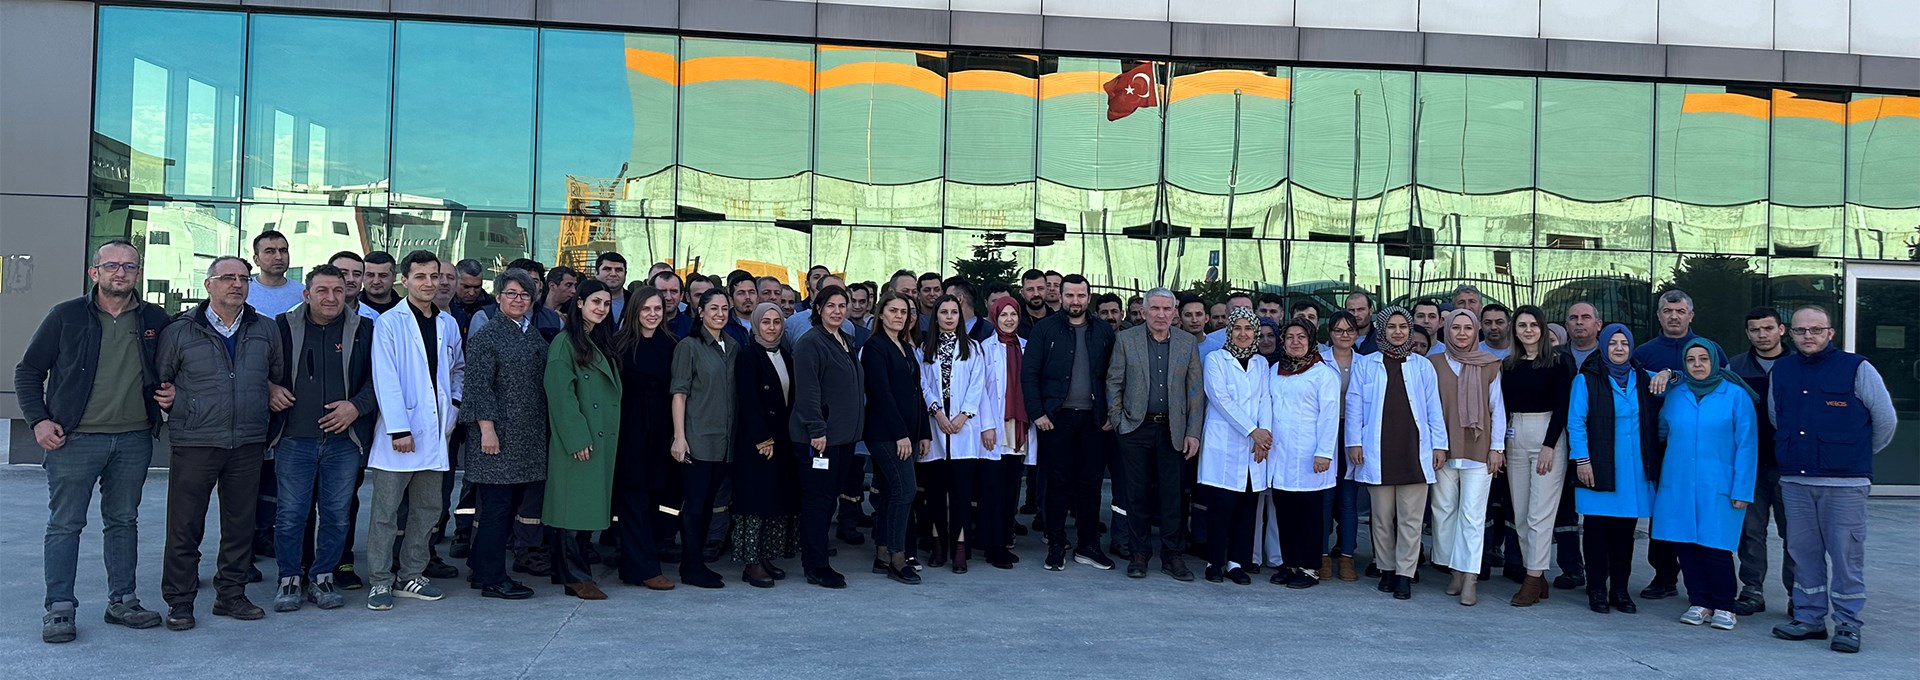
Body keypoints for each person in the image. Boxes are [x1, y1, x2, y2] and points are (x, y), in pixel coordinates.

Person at [17, 240, 173, 642]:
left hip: (134, 439)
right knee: (66, 524)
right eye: (111, 266)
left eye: (129, 267)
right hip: (74, 440)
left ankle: (123, 600)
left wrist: (173, 393)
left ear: (138, 273)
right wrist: (38, 421)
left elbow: (176, 369)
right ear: (95, 272)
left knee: (123, 521)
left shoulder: (156, 319)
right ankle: (59, 608)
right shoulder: (66, 316)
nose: (120, 273)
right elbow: (28, 371)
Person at [156, 255, 290, 628]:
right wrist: (181, 403)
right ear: (208, 285)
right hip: (196, 441)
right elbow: (161, 379)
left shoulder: (265, 329)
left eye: (244, 278)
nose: (237, 284)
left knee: (240, 526)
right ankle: (180, 602)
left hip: (247, 442)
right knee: (185, 527)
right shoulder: (180, 330)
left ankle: (231, 595)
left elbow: (273, 376)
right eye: (228, 277)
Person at [1769, 306, 1898, 653]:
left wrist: (1851, 454)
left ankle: (1847, 624)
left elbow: (1884, 421)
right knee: (1803, 552)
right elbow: (1775, 416)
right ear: (1790, 334)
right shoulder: (1781, 370)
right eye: (1800, 331)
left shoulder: (1857, 368)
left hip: (1845, 483)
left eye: (1815, 329)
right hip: (1796, 481)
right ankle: (1809, 619)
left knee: (1845, 555)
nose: (1807, 336)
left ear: (1830, 333)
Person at [265, 266, 375, 613]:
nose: (331, 298)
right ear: (306, 294)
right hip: (294, 438)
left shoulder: (364, 329)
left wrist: (355, 408)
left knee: (337, 515)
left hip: (343, 442)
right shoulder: (281, 326)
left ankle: (323, 576)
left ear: (348, 293)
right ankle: (289, 578)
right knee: (291, 514)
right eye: (323, 291)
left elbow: (381, 381)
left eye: (338, 291)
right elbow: (257, 368)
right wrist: (269, 388)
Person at [364, 250, 462, 612]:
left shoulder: (447, 324)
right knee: (386, 514)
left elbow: (458, 370)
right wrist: (399, 429)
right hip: (399, 437)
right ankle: (379, 581)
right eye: (420, 276)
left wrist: (454, 406)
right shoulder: (389, 323)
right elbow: (384, 378)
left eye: (434, 276)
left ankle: (411, 575)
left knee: (427, 509)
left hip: (436, 433)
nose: (429, 283)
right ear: (405, 280)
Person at [1655, 338, 1759, 630]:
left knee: (1716, 546)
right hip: (1679, 482)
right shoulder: (1676, 394)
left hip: (1719, 484)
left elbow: (1747, 445)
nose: (1697, 365)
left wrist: (1742, 489)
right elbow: (1662, 430)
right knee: (1685, 543)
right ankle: (1699, 601)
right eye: (1691, 360)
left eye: (1703, 359)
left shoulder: (1736, 396)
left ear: (1714, 361)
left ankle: (1725, 604)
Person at [457, 269, 548, 601]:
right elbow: (478, 387)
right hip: (496, 437)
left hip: (524, 436)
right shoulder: (487, 337)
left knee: (505, 508)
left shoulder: (531, 334)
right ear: (497, 298)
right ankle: (494, 578)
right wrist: (486, 429)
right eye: (511, 294)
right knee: (496, 508)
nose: (518, 300)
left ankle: (480, 567)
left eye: (524, 295)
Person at [1345, 307, 1447, 600]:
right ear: (1382, 331)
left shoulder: (1422, 366)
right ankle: (1386, 569)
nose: (1398, 332)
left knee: (1411, 519)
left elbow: (1433, 409)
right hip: (1378, 450)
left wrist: (1439, 445)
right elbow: (1354, 407)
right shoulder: (1366, 365)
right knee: (1381, 516)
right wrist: (1354, 443)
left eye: (1403, 326)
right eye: (1392, 327)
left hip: (1413, 450)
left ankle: (1405, 573)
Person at [1108, 287, 1207, 582]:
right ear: (1144, 312)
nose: (1161, 315)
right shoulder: (1126, 340)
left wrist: (1193, 432)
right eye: (1155, 309)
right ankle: (1139, 554)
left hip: (1173, 431)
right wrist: (1119, 422)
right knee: (1136, 494)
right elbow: (1114, 382)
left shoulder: (1187, 343)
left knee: (1172, 497)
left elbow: (1194, 391)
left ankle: (1172, 556)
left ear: (1174, 313)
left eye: (1167, 309)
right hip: (1136, 428)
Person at [1023, 275, 1117, 572]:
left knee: (1090, 485)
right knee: (1058, 483)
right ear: (1060, 296)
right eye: (1069, 295)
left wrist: (1111, 414)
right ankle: (1056, 544)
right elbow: (1030, 374)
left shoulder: (1103, 331)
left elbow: (1114, 376)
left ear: (1088, 298)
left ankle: (1088, 545)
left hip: (1094, 420)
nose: (1075, 301)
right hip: (1056, 418)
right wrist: (1038, 413)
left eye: (1081, 296)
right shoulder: (1044, 329)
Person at [1568, 324, 1663, 615]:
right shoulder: (1587, 379)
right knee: (1597, 532)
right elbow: (1576, 423)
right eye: (1613, 344)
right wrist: (1582, 461)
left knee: (1624, 534)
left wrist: (1672, 373)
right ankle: (1597, 588)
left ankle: (1620, 590)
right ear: (1604, 347)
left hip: (1633, 471)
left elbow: (1677, 383)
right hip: (1599, 466)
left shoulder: (1644, 378)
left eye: (1624, 343)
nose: (1619, 348)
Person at [542, 279, 622, 600]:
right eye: (595, 302)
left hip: (600, 439)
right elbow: (560, 394)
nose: (601, 308)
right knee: (572, 511)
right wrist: (576, 437)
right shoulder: (565, 342)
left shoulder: (599, 340)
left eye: (605, 303)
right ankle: (575, 577)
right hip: (579, 440)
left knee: (585, 510)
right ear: (579, 303)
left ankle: (567, 572)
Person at [1427, 309, 1507, 606]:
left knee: (1473, 517)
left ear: (1476, 332)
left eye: (1467, 328)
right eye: (1456, 327)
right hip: (1443, 450)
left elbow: (1497, 409)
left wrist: (1497, 448)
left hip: (1478, 450)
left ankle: (1470, 576)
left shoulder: (1490, 364)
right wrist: (1434, 445)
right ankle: (1454, 570)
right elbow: (1428, 408)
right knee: (1442, 512)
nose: (1461, 333)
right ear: (1446, 330)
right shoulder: (1432, 363)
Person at [1632, 289, 1707, 601]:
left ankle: (1702, 579)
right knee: (1662, 511)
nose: (1673, 316)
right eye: (1667, 311)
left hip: (1700, 448)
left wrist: (1673, 375)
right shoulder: (1644, 353)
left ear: (1691, 315)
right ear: (1659, 315)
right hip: (1659, 447)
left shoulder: (1708, 350)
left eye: (1680, 311)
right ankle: (1663, 575)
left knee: (1699, 509)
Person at [789, 285, 863, 589]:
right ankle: (815, 565)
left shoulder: (845, 339)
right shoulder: (810, 343)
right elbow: (807, 391)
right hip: (820, 439)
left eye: (841, 305)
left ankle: (818, 555)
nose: (837, 310)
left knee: (828, 500)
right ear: (818, 309)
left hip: (843, 438)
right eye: (830, 305)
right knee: (818, 502)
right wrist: (817, 430)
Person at [1501, 306, 1574, 606]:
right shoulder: (1508, 365)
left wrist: (1549, 445)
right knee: (1520, 513)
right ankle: (1538, 572)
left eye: (1533, 324)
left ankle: (1531, 578)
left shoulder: (1558, 363)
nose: (1528, 330)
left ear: (1543, 329)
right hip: (1515, 433)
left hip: (1547, 434)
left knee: (1540, 513)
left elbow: (1563, 407)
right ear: (1515, 331)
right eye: (1521, 325)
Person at [609, 287, 678, 591]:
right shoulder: (618, 346)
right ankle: (645, 568)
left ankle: (633, 565)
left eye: (658, 309)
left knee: (653, 501)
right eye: (646, 309)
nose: (652, 315)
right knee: (632, 500)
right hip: (629, 434)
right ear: (634, 311)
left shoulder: (672, 345)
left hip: (661, 434)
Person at [920, 294, 995, 574]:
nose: (950, 317)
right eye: (944, 312)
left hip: (964, 428)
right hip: (936, 426)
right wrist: (938, 413)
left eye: (954, 312)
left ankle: (960, 547)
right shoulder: (924, 350)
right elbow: (923, 384)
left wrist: (962, 416)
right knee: (936, 493)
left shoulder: (974, 348)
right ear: (936, 316)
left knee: (962, 494)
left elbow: (978, 386)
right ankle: (938, 544)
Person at [1723, 307, 1790, 617]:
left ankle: (1800, 593)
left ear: (1781, 330)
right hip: (1749, 465)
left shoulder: (1799, 365)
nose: (1762, 335)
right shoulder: (1735, 368)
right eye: (1755, 330)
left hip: (1791, 467)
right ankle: (1752, 590)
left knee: (1795, 534)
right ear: (1748, 333)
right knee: (1750, 532)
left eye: (1767, 328)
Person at [669, 288, 737, 589]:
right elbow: (679, 394)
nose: (720, 314)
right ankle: (691, 565)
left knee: (711, 503)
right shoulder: (689, 346)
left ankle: (698, 563)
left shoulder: (733, 346)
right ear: (700, 311)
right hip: (698, 438)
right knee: (695, 505)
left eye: (725, 308)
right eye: (713, 308)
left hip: (725, 442)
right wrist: (679, 438)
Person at [1265, 317, 1341, 588]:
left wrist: (1324, 453)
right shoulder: (1275, 370)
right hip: (1281, 454)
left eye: (1301, 337)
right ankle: (1290, 563)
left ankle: (1309, 568)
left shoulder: (1324, 374)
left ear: (1311, 341)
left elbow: (1329, 417)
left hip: (1311, 455)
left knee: (1309, 515)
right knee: (1285, 512)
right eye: (1290, 337)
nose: (1295, 342)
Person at [731, 302, 800, 587]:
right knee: (755, 502)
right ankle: (752, 562)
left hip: (782, 439)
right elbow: (748, 400)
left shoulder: (785, 354)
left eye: (777, 322)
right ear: (756, 324)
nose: (771, 327)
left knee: (775, 499)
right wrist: (762, 438)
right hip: (757, 441)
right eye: (766, 322)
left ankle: (767, 555)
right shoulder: (749, 356)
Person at [864, 290, 930, 584]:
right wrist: (902, 435)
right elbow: (882, 394)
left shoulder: (905, 346)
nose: (899, 316)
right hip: (886, 434)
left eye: (904, 312)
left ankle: (882, 553)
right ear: (881, 314)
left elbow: (917, 393)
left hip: (908, 434)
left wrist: (923, 433)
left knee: (892, 492)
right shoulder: (876, 347)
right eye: (893, 311)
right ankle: (897, 557)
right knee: (906, 491)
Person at [1551, 301, 1603, 591]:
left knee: (1597, 511)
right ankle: (1571, 568)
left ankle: (1599, 571)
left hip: (1599, 445)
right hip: (1560, 442)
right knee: (1563, 509)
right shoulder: (1555, 356)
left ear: (1598, 324)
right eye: (1573, 318)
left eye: (1585, 317)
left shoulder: (1610, 356)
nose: (1579, 322)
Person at [978, 295, 1032, 570]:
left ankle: (1005, 538)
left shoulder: (1025, 346)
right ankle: (992, 545)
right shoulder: (984, 348)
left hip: (1019, 426)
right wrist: (987, 426)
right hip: (994, 425)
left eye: (1013, 315)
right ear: (994, 317)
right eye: (1003, 315)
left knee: (1012, 487)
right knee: (993, 488)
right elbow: (981, 391)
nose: (1009, 320)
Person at [1317, 311, 1364, 580]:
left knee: (1348, 499)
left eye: (1349, 330)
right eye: (1338, 330)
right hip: (1326, 433)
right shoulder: (1319, 362)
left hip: (1354, 435)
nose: (1344, 335)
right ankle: (1322, 556)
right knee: (1325, 498)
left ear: (1356, 333)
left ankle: (1347, 557)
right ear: (1330, 334)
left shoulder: (1367, 363)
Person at [248, 230, 303, 317]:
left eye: (283, 251)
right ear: (256, 260)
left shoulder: (303, 293)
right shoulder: (244, 291)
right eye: (269, 251)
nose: (279, 257)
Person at [449, 259, 494, 337]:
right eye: (466, 287)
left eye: (477, 287)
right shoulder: (443, 305)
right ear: (455, 281)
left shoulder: (492, 308)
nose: (471, 293)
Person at [359, 251, 400, 315]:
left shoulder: (406, 308)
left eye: (383, 275)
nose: (376, 281)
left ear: (394, 276)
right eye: (370, 275)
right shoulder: (351, 308)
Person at [596, 251, 629, 322]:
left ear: (625, 274)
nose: (613, 274)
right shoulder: (583, 303)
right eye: (607, 269)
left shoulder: (635, 302)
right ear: (596, 273)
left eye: (618, 270)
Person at [1017, 269, 1050, 336]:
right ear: (1022, 293)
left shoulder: (1058, 321)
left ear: (1047, 290)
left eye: (1040, 288)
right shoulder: (1015, 321)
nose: (1036, 294)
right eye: (1030, 289)